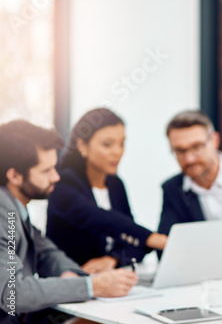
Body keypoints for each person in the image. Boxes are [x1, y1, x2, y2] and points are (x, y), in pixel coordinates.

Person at [0, 120, 137, 324]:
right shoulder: (4, 213)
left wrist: (72, 275)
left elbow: (46, 253)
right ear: (15, 176)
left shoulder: (15, 208)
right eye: (46, 171)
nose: (56, 177)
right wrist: (93, 286)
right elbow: (14, 293)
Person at [47, 108, 167, 274]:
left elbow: (135, 243)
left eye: (122, 143)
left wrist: (113, 259)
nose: (118, 152)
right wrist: (151, 237)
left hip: (111, 284)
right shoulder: (62, 183)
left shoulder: (115, 184)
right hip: (73, 280)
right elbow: (100, 219)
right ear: (83, 146)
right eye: (107, 144)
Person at [158, 110, 222, 278]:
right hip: (206, 281)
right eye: (179, 151)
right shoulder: (173, 189)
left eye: (196, 147)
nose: (189, 159)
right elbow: (165, 251)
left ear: (214, 140)